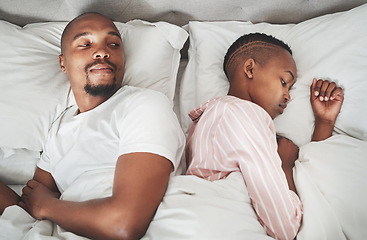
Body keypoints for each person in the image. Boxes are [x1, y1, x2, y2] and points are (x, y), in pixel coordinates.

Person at [0, 12, 185, 240]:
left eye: (113, 44)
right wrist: (43, 205)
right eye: (85, 44)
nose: (102, 51)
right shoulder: (61, 127)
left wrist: (48, 205)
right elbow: (28, 206)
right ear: (63, 63)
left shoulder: (144, 104)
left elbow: (123, 224)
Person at [185, 33, 344, 240]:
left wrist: (324, 122)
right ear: (250, 69)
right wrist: (285, 166)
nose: (288, 96)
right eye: (284, 81)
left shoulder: (207, 118)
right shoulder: (242, 114)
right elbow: (285, 227)